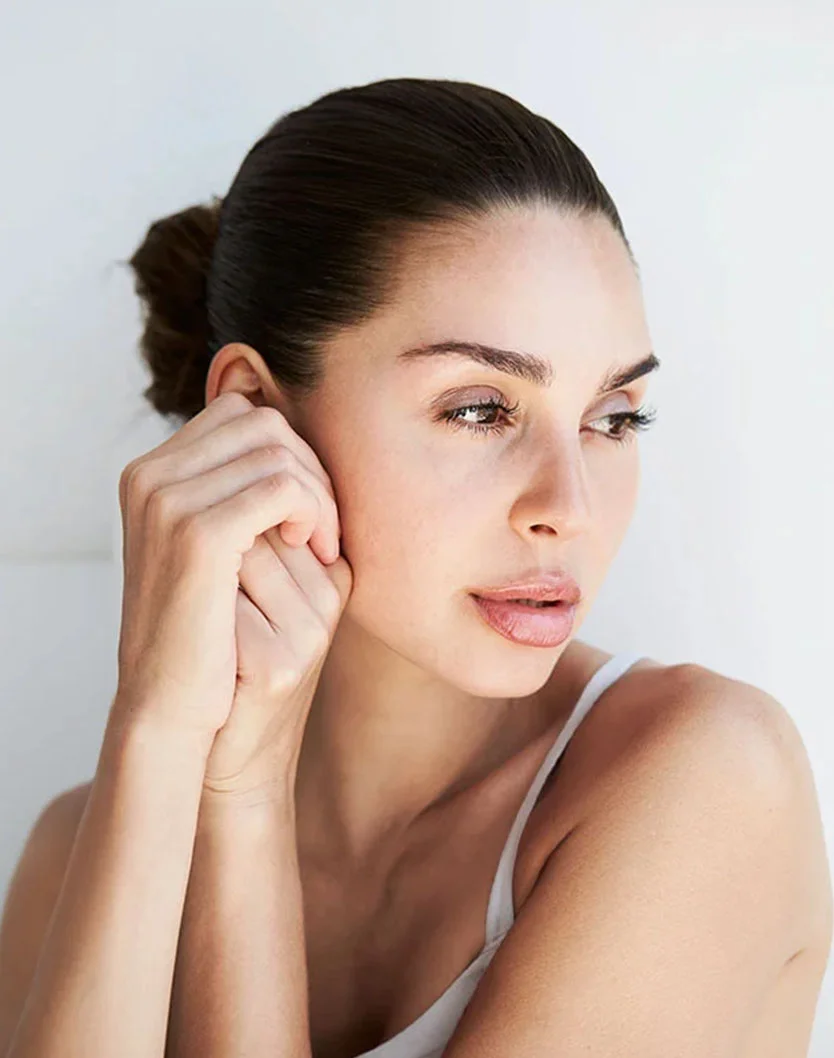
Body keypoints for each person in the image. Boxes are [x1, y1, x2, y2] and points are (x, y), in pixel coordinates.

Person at [0, 77, 830, 1058]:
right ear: (254, 414)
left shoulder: (702, 778)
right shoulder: (77, 854)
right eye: (479, 408)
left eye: (613, 418)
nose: (567, 508)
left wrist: (243, 799)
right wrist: (160, 727)